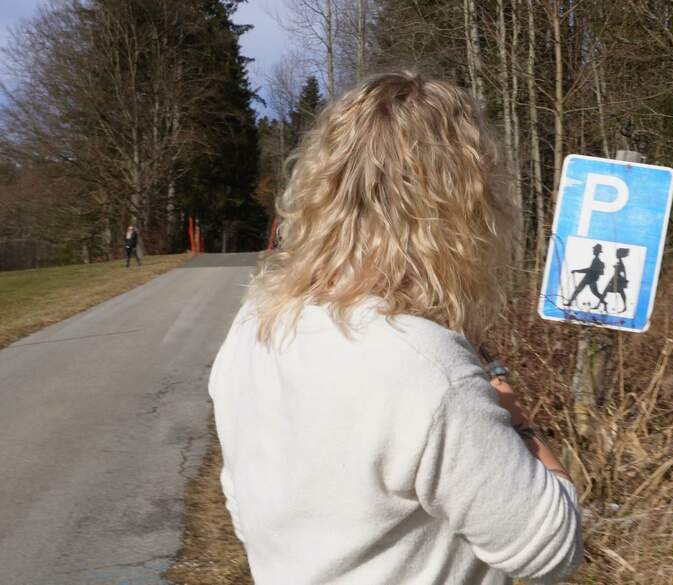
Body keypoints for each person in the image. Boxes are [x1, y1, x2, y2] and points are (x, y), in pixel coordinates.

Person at [209, 71, 583, 585]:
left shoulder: (256, 324)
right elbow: (553, 547)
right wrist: (520, 426)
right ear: (460, 207)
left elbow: (241, 500)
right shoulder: (427, 369)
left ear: (324, 188)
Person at [565, 242, 605, 309]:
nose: (593, 251)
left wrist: (576, 271)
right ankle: (570, 303)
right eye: (594, 249)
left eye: (594, 250)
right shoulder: (596, 259)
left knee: (595, 293)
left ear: (597, 251)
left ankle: (604, 303)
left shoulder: (596, 260)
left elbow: (589, 270)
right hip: (589, 278)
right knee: (578, 290)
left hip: (589, 279)